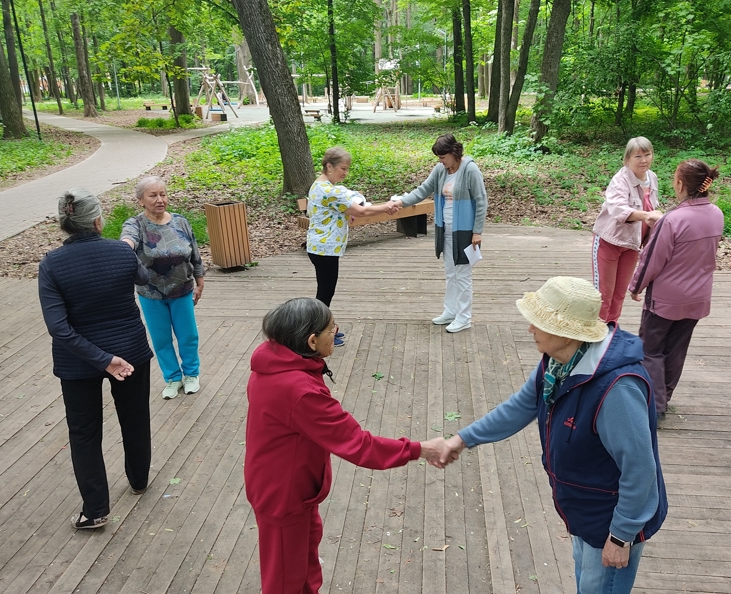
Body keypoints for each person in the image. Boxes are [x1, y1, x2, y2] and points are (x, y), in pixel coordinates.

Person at [440, 277, 667, 594]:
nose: (530, 329)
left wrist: (620, 536)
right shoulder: (558, 362)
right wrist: (462, 439)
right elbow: (521, 406)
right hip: (582, 510)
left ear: (566, 333)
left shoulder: (616, 389)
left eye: (539, 323)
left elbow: (641, 469)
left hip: (611, 520)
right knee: (585, 581)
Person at [244, 297, 446, 593]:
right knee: (285, 580)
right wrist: (420, 449)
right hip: (284, 496)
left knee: (306, 566)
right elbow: (359, 446)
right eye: (331, 329)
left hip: (292, 489)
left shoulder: (273, 364)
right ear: (311, 341)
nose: (336, 332)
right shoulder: (299, 391)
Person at [39, 188, 153, 530]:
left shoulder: (51, 264)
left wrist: (101, 359)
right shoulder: (120, 251)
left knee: (84, 432)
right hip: (130, 351)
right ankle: (138, 479)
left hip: (77, 362)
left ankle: (95, 510)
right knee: (135, 418)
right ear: (98, 220)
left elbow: (58, 327)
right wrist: (129, 251)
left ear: (65, 224)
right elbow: (144, 279)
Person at [629, 159, 724, 426]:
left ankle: (654, 406)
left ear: (680, 183)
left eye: (675, 178)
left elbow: (651, 260)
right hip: (698, 297)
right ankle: (664, 398)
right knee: (676, 349)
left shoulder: (673, 219)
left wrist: (636, 286)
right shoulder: (716, 213)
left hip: (665, 299)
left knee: (650, 349)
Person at [390, 134, 488, 333]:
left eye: (443, 157)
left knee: (462, 275)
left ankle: (464, 317)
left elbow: (481, 201)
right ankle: (450, 311)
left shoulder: (470, 169)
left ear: (454, 153)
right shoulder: (440, 170)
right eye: (439, 158)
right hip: (446, 229)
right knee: (450, 273)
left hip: (465, 231)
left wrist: (477, 231)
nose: (440, 161)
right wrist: (401, 202)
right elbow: (423, 189)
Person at [121, 176, 205, 400]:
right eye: (153, 195)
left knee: (188, 335)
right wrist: (124, 248)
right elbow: (127, 240)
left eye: (163, 194)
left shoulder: (180, 222)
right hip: (151, 293)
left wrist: (200, 280)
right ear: (141, 200)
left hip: (182, 289)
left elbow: (195, 253)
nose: (160, 200)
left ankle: (191, 375)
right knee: (161, 339)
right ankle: (172, 377)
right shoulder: (135, 224)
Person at [306, 147, 399, 347]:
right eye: (343, 168)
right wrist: (388, 206)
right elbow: (361, 211)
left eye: (347, 169)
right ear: (329, 166)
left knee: (325, 291)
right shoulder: (328, 190)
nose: (345, 173)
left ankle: (323, 330)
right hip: (324, 249)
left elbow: (350, 201)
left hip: (321, 247)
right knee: (325, 293)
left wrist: (348, 211)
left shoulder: (321, 185)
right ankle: (317, 334)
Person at [591, 137, 662, 324]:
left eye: (647, 154)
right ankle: (595, 336)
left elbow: (652, 208)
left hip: (632, 244)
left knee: (620, 293)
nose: (643, 160)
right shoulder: (620, 180)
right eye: (638, 156)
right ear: (627, 159)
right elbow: (618, 209)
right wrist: (645, 216)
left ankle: (611, 331)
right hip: (609, 241)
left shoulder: (652, 178)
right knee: (603, 294)